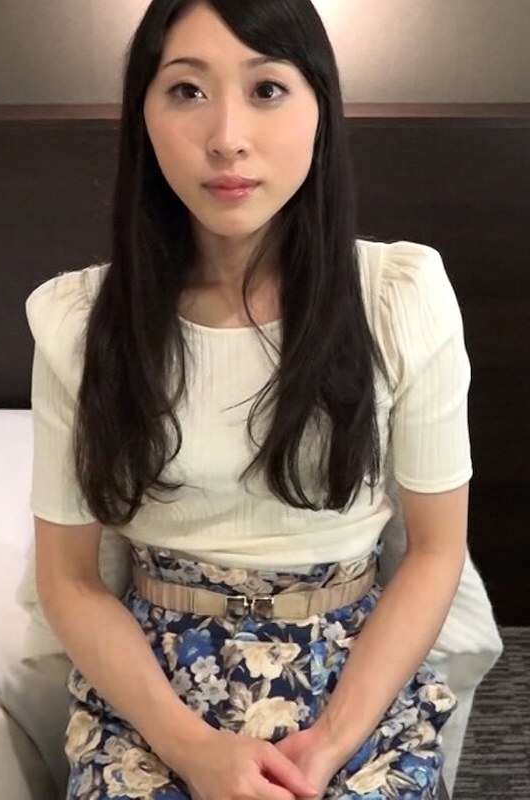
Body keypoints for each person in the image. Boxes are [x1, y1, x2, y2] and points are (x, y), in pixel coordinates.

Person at [25, 0, 472, 798]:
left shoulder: (400, 296)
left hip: (352, 677)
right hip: (156, 688)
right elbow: (71, 581)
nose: (227, 136)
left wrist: (328, 744)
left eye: (267, 89)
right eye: (187, 90)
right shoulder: (80, 323)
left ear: (320, 108)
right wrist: (194, 748)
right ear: (143, 115)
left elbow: (436, 552)